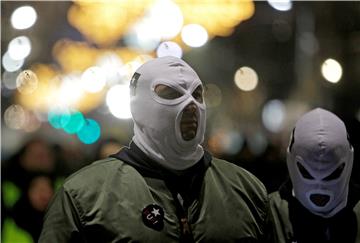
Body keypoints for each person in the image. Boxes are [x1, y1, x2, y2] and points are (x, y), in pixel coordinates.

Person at [39, 56, 269, 242]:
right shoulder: (85, 195)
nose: (190, 105)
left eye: (197, 94)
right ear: (138, 107)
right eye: (171, 94)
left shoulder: (246, 189)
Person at [267, 108, 360, 243]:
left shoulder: (270, 215)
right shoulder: (267, 216)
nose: (320, 186)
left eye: (332, 174)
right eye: (306, 172)